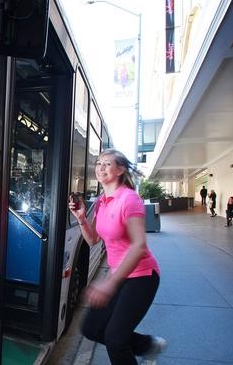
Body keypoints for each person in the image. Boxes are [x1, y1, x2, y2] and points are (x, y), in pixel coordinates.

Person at [68, 149, 166, 365]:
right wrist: (82, 218)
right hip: (119, 275)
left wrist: (109, 284)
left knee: (115, 339)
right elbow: (93, 239)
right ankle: (147, 345)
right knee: (91, 329)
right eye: (98, 163)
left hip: (142, 276)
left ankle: (144, 347)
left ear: (120, 170)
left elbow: (139, 246)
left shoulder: (129, 199)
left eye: (107, 164)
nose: (100, 167)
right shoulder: (103, 201)